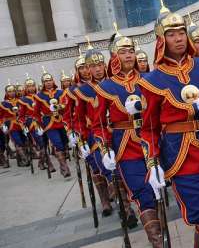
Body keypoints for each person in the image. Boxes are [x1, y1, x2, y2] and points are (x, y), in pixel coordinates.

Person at [138, 0, 199, 248]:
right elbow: (148, 129)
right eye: (171, 34)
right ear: (161, 40)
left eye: (181, 32)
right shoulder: (152, 81)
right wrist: (153, 162)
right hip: (181, 157)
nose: (178, 38)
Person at [95, 26, 160, 244]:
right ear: (115, 56)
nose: (129, 55)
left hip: (151, 141)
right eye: (123, 52)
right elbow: (99, 124)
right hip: (125, 145)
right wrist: (104, 149)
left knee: (154, 191)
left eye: (131, 50)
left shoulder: (149, 79)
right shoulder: (106, 86)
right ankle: (157, 240)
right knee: (142, 192)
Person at [73, 45, 116, 216]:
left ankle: (123, 200)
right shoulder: (81, 90)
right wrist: (80, 138)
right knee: (97, 165)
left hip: (115, 129)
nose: (98, 69)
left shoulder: (112, 83)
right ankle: (105, 200)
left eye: (100, 64)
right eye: (92, 66)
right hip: (93, 134)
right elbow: (77, 118)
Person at [32, 69, 71, 177]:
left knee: (64, 142)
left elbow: (66, 106)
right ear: (43, 83)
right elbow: (36, 113)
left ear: (53, 81)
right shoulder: (39, 96)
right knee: (58, 143)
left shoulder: (60, 92)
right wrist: (38, 125)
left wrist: (60, 107)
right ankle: (64, 167)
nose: (48, 82)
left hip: (61, 121)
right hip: (49, 123)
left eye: (50, 80)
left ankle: (63, 160)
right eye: (46, 81)